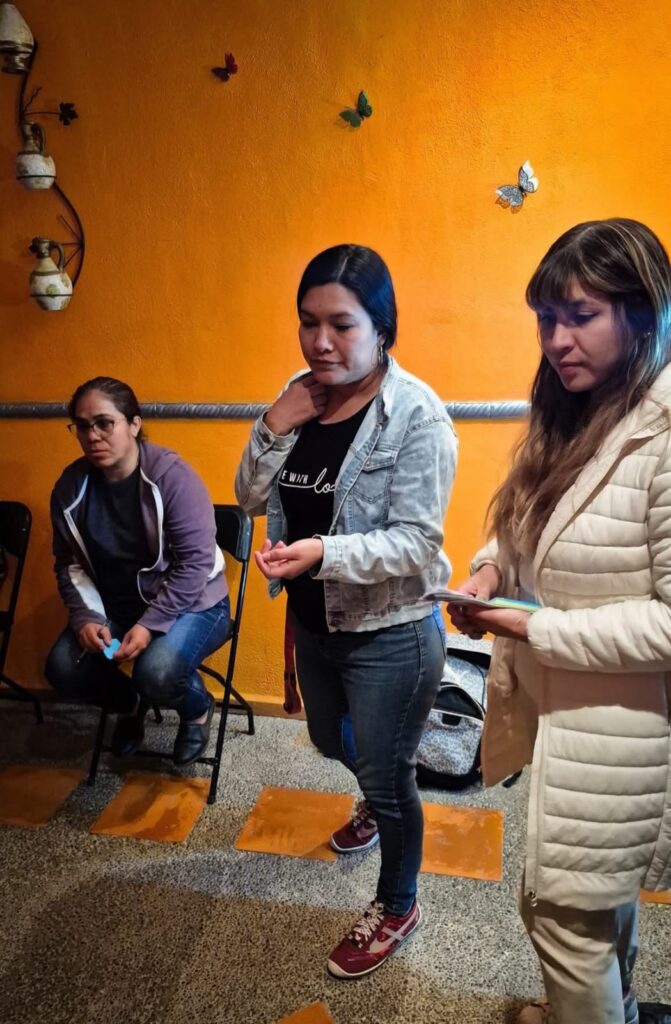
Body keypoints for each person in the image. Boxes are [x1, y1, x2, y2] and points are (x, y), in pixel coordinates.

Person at [448, 218, 671, 1024]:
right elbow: (533, 523)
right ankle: (617, 1005)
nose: (556, 340)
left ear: (640, 313)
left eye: (580, 316)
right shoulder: (577, 408)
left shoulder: (662, 433)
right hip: (570, 716)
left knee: (561, 918)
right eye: (546, 318)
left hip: (623, 731)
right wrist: (490, 568)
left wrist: (527, 628)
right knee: (594, 906)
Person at [235, 244, 457, 979]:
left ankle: (398, 903)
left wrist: (322, 553)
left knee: (390, 778)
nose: (320, 341)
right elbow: (248, 496)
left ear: (381, 329)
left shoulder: (415, 415)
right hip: (314, 620)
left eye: (341, 324)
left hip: (389, 631)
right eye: (308, 322)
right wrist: (273, 422)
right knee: (331, 739)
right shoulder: (300, 395)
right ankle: (373, 792)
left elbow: (417, 542)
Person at [46, 376, 230, 767]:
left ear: (134, 424)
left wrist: (150, 624)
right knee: (62, 669)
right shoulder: (70, 487)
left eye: (104, 423)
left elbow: (195, 564)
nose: (92, 435)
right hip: (117, 606)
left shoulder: (172, 476)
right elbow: (69, 563)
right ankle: (130, 705)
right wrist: (85, 617)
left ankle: (197, 709)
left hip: (195, 604)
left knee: (157, 673)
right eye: (82, 426)